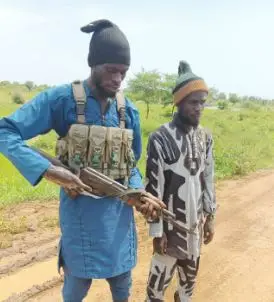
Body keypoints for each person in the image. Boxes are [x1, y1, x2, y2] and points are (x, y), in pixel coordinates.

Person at [0, 19, 164, 302]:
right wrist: (50, 171)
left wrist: (138, 193)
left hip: (118, 222)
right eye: (111, 70)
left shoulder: (129, 111)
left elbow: (131, 164)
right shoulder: (62, 99)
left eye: (123, 73)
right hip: (80, 221)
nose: (117, 79)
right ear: (93, 65)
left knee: (122, 290)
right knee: (75, 292)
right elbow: (6, 131)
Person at [144, 61, 217, 302]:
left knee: (187, 291)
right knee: (155, 293)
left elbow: (208, 179)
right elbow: (153, 189)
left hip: (194, 230)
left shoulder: (205, 138)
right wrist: (157, 231)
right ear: (179, 102)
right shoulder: (160, 138)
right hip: (170, 232)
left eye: (202, 102)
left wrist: (210, 217)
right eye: (193, 102)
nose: (199, 108)